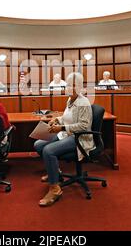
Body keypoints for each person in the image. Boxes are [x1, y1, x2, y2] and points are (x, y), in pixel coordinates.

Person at [34, 72, 95, 207]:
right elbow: (68, 118)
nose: (69, 87)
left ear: (79, 86)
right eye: (68, 84)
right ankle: (55, 172)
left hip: (79, 138)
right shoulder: (70, 99)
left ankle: (55, 188)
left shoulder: (83, 102)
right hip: (67, 134)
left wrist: (61, 128)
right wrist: (57, 119)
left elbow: (83, 126)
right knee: (38, 145)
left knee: (48, 150)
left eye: (73, 85)